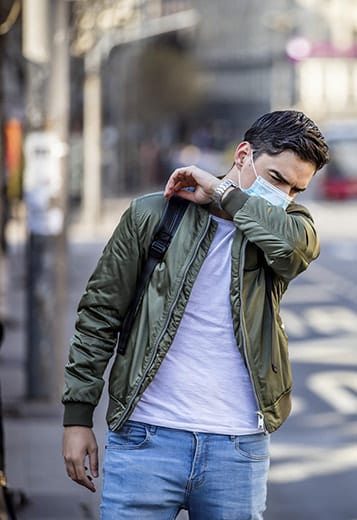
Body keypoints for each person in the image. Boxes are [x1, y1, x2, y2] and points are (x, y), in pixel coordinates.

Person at [61, 110, 329, 519]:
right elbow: (99, 317)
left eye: (296, 189)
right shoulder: (153, 215)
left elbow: (295, 250)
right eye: (276, 179)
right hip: (145, 438)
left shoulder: (287, 227)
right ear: (243, 155)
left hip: (238, 448)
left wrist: (224, 195)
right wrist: (77, 418)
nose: (284, 196)